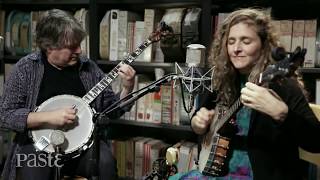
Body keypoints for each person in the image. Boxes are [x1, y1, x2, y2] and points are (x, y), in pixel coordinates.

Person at [170, 8, 320, 180]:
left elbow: (316, 141)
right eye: (231, 41)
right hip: (217, 170)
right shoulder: (222, 80)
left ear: (264, 45)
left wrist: (282, 114)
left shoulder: (283, 85)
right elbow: (200, 118)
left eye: (246, 41)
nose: (236, 49)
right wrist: (198, 122)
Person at [0, 9, 136, 180]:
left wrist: (128, 87)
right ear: (49, 47)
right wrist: (49, 117)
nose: (79, 51)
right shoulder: (26, 69)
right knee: (33, 172)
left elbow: (112, 110)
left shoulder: (88, 68)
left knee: (106, 165)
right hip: (39, 147)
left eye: (79, 44)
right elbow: (5, 116)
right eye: (72, 46)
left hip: (84, 147)